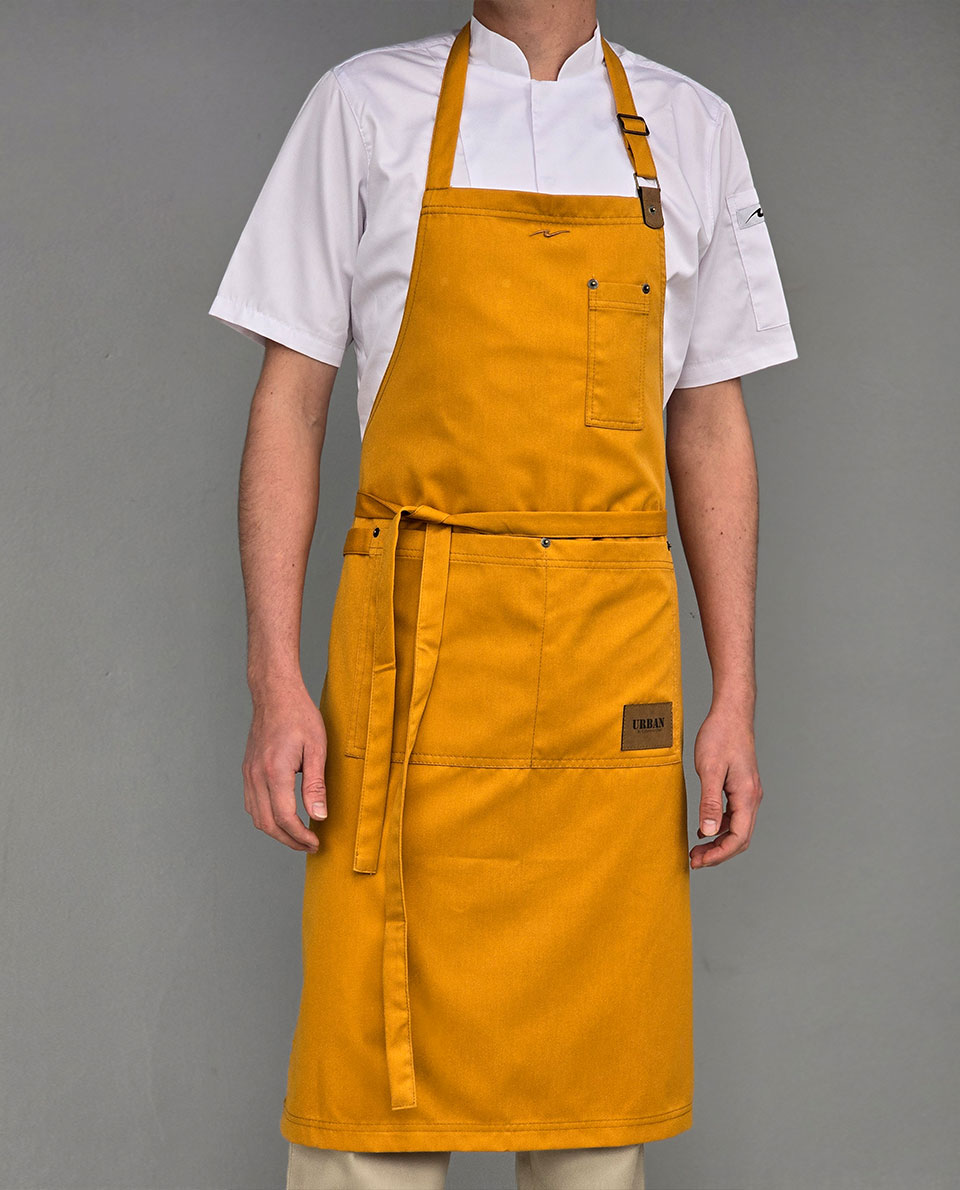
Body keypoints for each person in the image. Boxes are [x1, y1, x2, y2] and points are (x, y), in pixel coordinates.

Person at [208, 2, 797, 1187]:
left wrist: (735, 691)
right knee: (363, 1110)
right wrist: (275, 676)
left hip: (607, 672)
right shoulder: (362, 106)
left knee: (594, 1111)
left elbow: (709, 422)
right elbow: (290, 403)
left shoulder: (691, 127)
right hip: (410, 661)